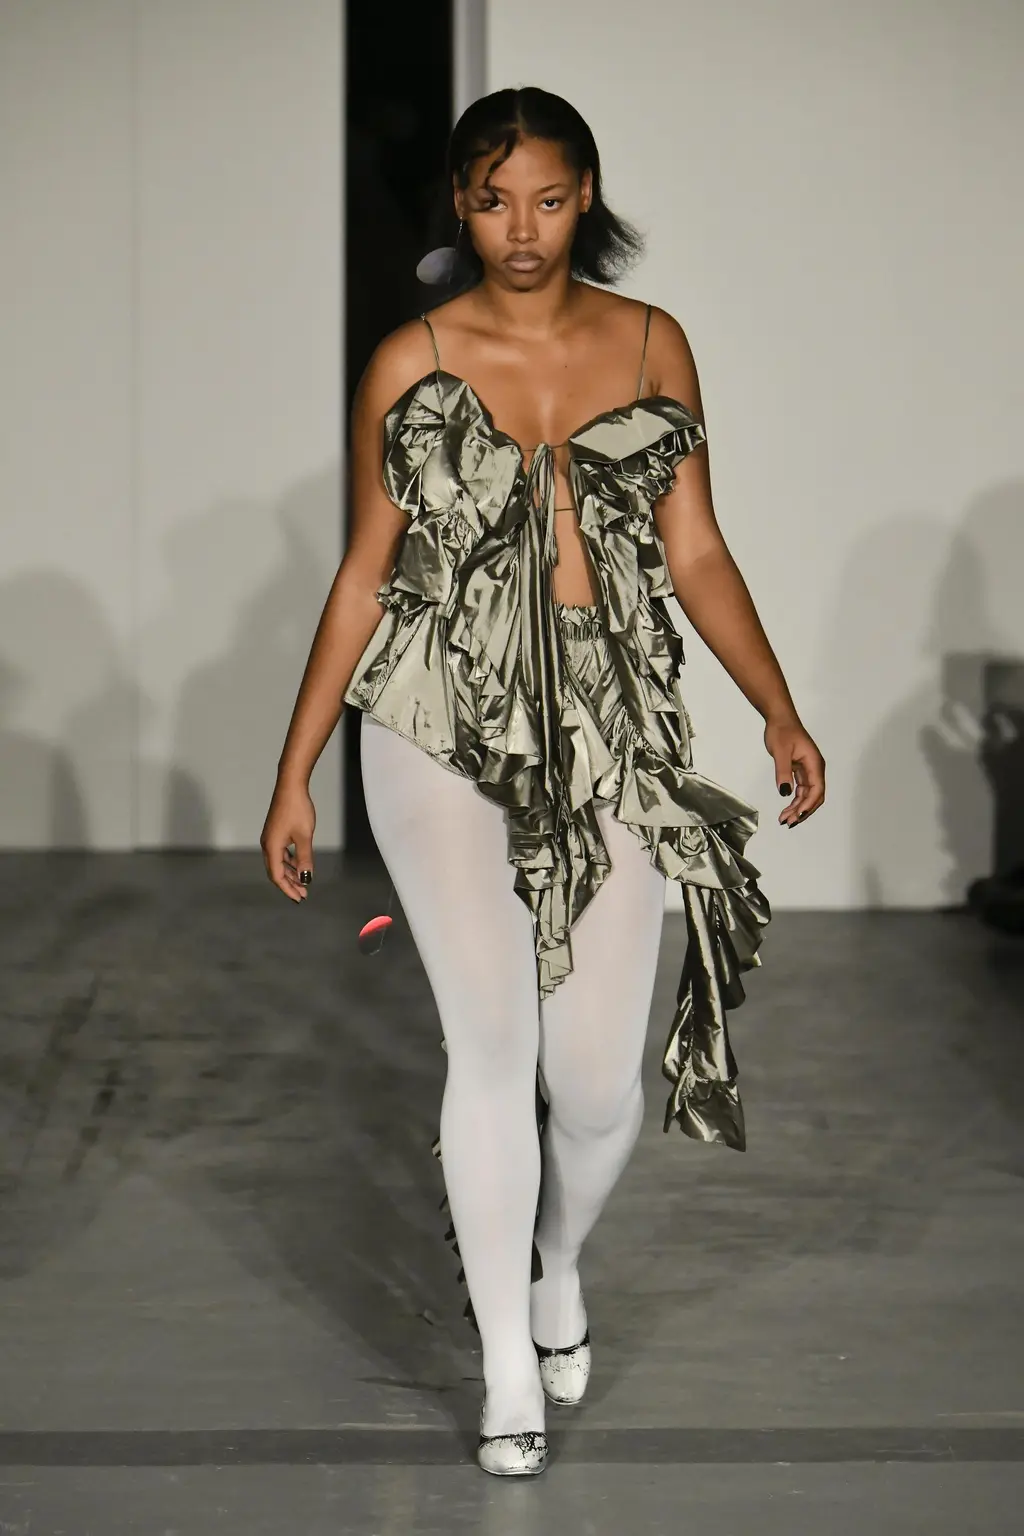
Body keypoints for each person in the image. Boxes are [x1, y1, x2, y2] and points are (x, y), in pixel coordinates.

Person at [260, 86, 826, 1477]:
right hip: (436, 716)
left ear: (587, 199)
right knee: (492, 1041)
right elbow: (365, 570)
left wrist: (776, 706)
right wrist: (294, 771)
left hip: (614, 721)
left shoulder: (650, 342)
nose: (522, 228)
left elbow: (696, 546)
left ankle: (555, 1259)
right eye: (494, 199)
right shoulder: (411, 359)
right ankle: (507, 1361)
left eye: (550, 199)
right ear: (461, 206)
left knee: (597, 1082)